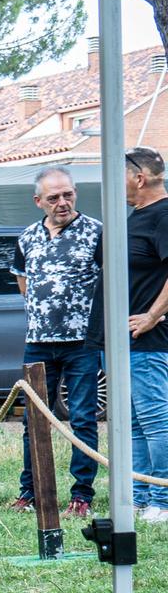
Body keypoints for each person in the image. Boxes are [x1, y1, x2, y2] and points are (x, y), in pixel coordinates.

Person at [10, 165, 103, 518]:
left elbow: (111, 282)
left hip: (82, 343)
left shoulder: (96, 233)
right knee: (33, 421)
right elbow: (23, 283)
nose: (62, 202)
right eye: (54, 197)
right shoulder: (27, 237)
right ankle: (30, 491)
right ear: (39, 201)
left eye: (68, 194)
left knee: (82, 419)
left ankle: (81, 496)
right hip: (38, 342)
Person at [123, 148, 168, 524]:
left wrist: (153, 315)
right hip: (123, 339)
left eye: (121, 173)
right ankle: (139, 496)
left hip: (150, 339)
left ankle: (163, 498)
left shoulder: (164, 216)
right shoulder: (135, 216)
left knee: (155, 418)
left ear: (139, 177)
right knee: (134, 421)